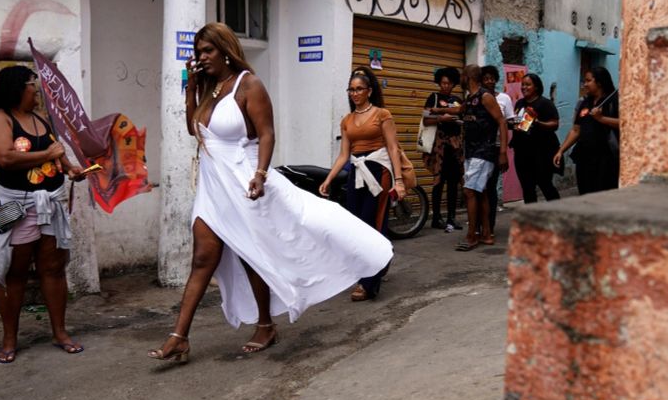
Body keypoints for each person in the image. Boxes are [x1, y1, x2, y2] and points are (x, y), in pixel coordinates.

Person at [148, 23, 391, 362]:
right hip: (213, 186)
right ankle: (179, 337)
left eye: (208, 51)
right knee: (203, 257)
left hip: (246, 179)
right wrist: (191, 89)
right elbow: (194, 129)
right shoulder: (210, 89)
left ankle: (266, 325)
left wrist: (261, 174)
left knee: (255, 255)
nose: (201, 57)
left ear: (225, 50)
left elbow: (267, 134)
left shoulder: (249, 84)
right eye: (198, 52)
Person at [0, 65, 87, 364]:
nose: (36, 90)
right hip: (11, 206)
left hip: (49, 204)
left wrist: (72, 170)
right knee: (12, 271)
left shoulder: (42, 120)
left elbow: (59, 155)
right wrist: (47, 156)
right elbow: (4, 156)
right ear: (16, 88)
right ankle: (9, 340)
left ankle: (60, 332)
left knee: (53, 268)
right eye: (31, 84)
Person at [320, 66, 406, 301]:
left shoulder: (382, 115)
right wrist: (328, 179)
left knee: (372, 226)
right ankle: (378, 260)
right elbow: (343, 155)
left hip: (379, 173)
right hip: (356, 174)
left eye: (359, 89)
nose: (355, 93)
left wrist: (398, 181)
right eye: (351, 90)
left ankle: (368, 284)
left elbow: (392, 149)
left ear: (369, 91)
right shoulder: (347, 120)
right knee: (356, 228)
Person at [432, 65, 509, 250]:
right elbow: (460, 111)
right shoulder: (471, 98)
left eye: (462, 76)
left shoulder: (485, 96)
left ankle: (471, 235)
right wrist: (436, 111)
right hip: (472, 151)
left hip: (484, 152)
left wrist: (503, 152)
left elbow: (502, 121)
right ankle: (486, 234)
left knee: (469, 191)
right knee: (479, 192)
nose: (460, 80)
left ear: (469, 77)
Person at [554, 66, 620, 194]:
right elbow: (576, 130)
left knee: (602, 195)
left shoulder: (614, 100)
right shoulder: (584, 102)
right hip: (584, 157)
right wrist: (561, 150)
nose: (585, 84)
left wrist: (601, 119)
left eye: (588, 81)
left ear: (599, 82)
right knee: (585, 193)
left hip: (606, 159)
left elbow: (625, 124)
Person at [422, 67, 464, 232]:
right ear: (439, 82)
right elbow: (425, 119)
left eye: (449, 83)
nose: (446, 85)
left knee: (453, 182)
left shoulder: (458, 100)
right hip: (439, 146)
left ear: (454, 84)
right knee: (439, 181)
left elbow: (462, 117)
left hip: (455, 146)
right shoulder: (433, 98)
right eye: (443, 82)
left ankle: (451, 217)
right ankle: (437, 217)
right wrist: (441, 118)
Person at [511, 73, 562, 203]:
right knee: (527, 188)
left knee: (545, 185)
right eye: (522, 84)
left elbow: (555, 124)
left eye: (528, 84)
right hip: (522, 153)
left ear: (537, 87)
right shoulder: (520, 103)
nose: (524, 87)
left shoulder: (545, 103)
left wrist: (538, 122)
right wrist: (513, 125)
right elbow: (521, 124)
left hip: (541, 153)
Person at [479, 66, 515, 231]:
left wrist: (504, 152)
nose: (489, 81)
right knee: (478, 187)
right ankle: (478, 224)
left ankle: (489, 225)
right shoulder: (475, 98)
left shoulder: (504, 99)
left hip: (495, 148)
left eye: (492, 78)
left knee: (491, 187)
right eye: (486, 78)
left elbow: (509, 123)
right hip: (478, 149)